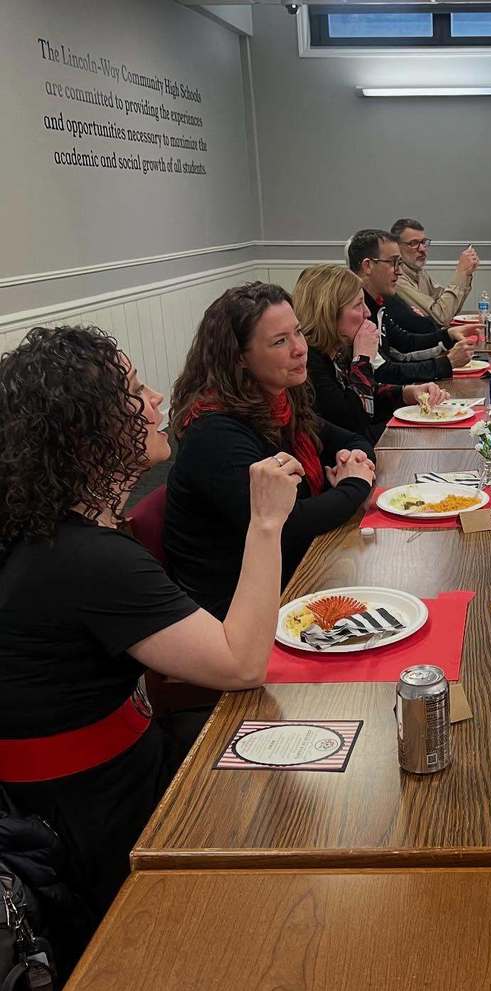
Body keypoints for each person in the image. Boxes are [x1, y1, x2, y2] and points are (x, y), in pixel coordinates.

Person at [0, 325, 301, 946]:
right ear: (88, 433)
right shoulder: (84, 557)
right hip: (83, 829)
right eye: (136, 391)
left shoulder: (65, 525)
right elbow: (243, 663)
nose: (158, 399)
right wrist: (266, 521)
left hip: (115, 772)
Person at [165, 282, 376, 619]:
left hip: (293, 568)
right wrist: (355, 485)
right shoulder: (214, 432)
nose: (299, 349)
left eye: (298, 333)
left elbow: (353, 439)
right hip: (236, 611)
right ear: (240, 359)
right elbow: (288, 522)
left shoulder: (277, 396)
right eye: (280, 341)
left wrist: (352, 462)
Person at [294, 264, 448, 443]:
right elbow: (355, 421)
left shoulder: (339, 349)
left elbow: (369, 398)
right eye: (358, 305)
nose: (367, 312)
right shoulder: (309, 361)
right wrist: (363, 359)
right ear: (329, 313)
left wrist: (408, 393)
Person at [350, 229, 476, 385]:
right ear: (367, 266)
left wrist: (448, 335)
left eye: (399, 263)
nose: (398, 271)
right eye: (392, 262)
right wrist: (446, 363)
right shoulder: (354, 313)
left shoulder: (377, 303)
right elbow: (382, 372)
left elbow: (405, 343)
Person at [392, 217, 477, 327]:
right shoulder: (396, 279)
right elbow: (441, 318)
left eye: (423, 242)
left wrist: (466, 274)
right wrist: (460, 273)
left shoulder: (419, 272)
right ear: (396, 247)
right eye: (413, 243)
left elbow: (450, 309)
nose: (422, 249)